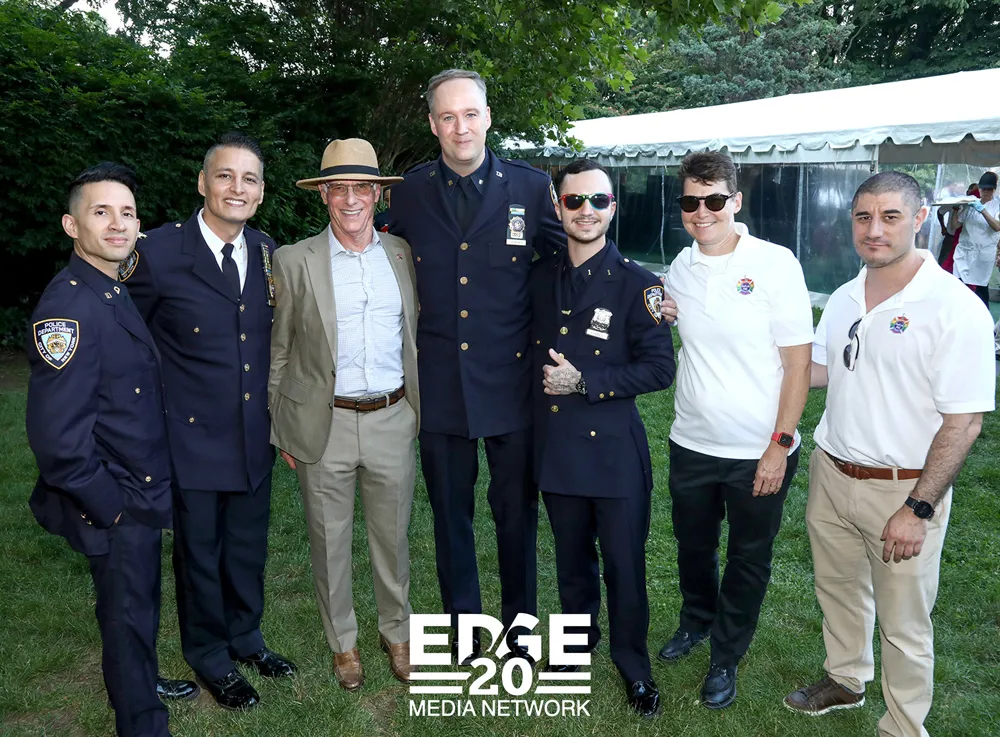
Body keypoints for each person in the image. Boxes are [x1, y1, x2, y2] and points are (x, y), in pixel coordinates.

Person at [784, 172, 995, 737]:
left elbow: (964, 424)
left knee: (904, 622)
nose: (874, 230)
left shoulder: (955, 308)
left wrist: (918, 508)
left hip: (903, 488)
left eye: (890, 216)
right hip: (833, 471)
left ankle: (902, 725)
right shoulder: (846, 295)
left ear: (920, 218)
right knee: (837, 589)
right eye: (863, 217)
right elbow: (822, 369)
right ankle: (845, 679)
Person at [387, 69, 565, 662]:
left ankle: (519, 629)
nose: (460, 127)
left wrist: (639, 291)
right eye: (447, 116)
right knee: (450, 516)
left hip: (512, 384)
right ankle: (465, 629)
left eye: (470, 114)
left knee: (516, 515)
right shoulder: (409, 192)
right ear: (432, 124)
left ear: (487, 117)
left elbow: (571, 259)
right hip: (440, 385)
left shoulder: (530, 186)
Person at [124, 133, 296, 711]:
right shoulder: (157, 253)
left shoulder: (269, 252)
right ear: (202, 183)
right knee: (199, 555)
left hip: (252, 436)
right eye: (225, 176)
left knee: (246, 548)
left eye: (249, 179)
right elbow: (127, 339)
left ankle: (246, 637)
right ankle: (210, 655)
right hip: (190, 438)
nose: (236, 188)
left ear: (261, 192)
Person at [26, 163, 196, 736]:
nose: (118, 224)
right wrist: (113, 509)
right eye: (101, 212)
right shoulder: (69, 310)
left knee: (139, 608)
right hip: (116, 499)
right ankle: (143, 722)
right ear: (72, 225)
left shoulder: (109, 288)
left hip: (137, 489)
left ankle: (142, 683)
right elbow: (58, 441)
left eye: (127, 213)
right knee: (127, 618)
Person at [656, 151, 813, 709]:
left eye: (714, 200)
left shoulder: (775, 263)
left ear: (736, 201)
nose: (702, 212)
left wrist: (779, 445)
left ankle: (726, 655)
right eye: (690, 202)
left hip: (759, 449)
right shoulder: (680, 266)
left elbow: (798, 364)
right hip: (691, 442)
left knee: (748, 557)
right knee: (693, 546)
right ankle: (696, 620)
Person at [268, 139, 419, 691]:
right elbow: (279, 352)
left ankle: (397, 633)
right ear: (324, 196)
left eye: (361, 188)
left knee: (393, 538)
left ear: (378, 194)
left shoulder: (401, 254)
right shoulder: (294, 259)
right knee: (328, 541)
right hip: (322, 424)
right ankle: (343, 644)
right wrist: (282, 427)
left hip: (392, 418)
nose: (350, 199)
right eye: (339, 189)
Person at [530, 159, 675, 716]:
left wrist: (585, 381)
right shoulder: (540, 274)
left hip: (614, 454)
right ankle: (574, 648)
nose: (586, 211)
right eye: (574, 201)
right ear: (558, 207)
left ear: (613, 207)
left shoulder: (641, 285)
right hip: (558, 449)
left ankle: (634, 666)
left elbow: (659, 369)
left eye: (597, 200)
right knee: (571, 562)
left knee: (623, 566)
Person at [949, 171, 1000, 305]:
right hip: (964, 252)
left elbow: (997, 227)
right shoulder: (970, 203)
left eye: (989, 189)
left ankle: (984, 314)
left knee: (980, 289)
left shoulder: (997, 206)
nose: (985, 192)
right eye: (983, 188)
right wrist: (955, 210)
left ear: (994, 190)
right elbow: (955, 225)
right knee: (958, 285)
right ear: (979, 188)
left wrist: (982, 210)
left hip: (983, 254)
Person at [934, 183, 978, 273]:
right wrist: (943, 227)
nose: (974, 194)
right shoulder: (957, 202)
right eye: (973, 191)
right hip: (951, 237)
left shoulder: (977, 207)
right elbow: (940, 212)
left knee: (960, 266)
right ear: (968, 192)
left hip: (965, 241)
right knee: (944, 262)